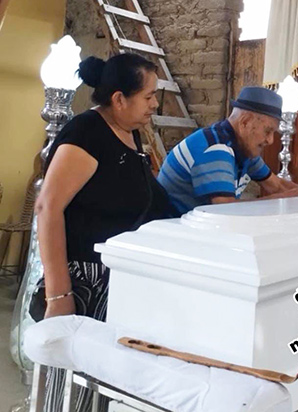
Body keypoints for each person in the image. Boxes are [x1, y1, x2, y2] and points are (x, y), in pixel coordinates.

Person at [35, 53, 173, 411]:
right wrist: (58, 294)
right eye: (148, 96)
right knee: (68, 391)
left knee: (98, 390)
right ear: (119, 99)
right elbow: (48, 208)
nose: (155, 104)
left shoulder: (129, 134)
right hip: (82, 281)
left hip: (116, 280)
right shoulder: (86, 133)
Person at [158, 86, 298, 215]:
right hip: (171, 235)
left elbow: (277, 186)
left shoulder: (242, 146)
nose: (270, 140)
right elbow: (224, 211)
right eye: (268, 131)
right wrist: (288, 199)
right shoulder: (216, 149)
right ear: (245, 122)